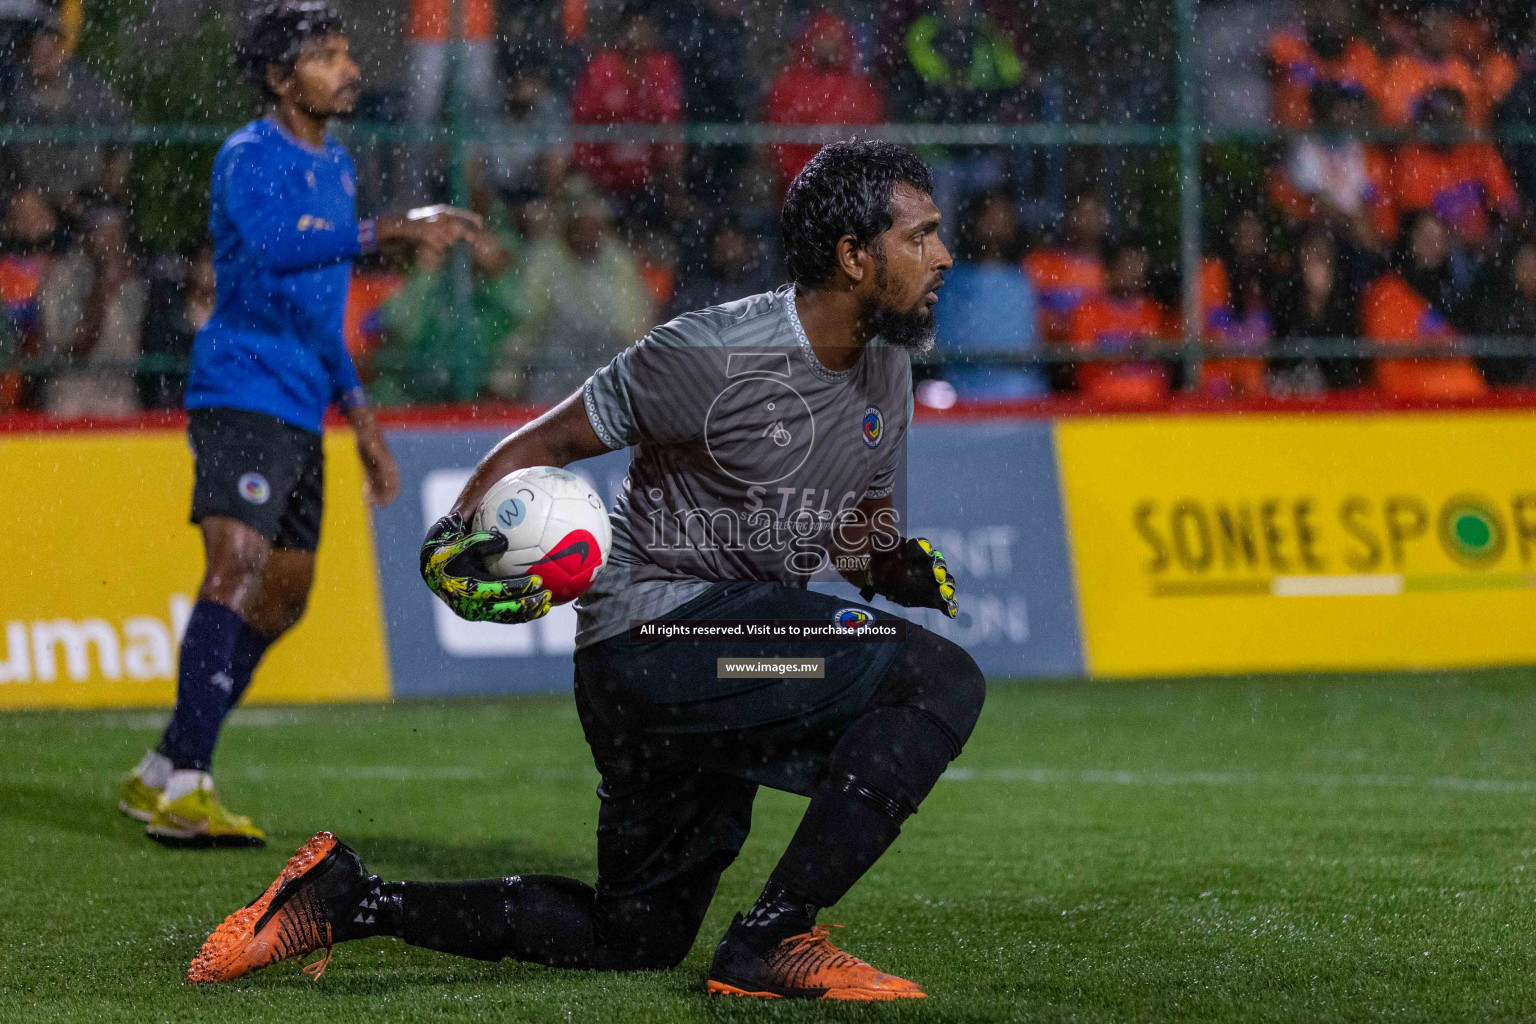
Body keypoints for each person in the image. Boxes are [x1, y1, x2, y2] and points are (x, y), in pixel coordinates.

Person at [188, 140, 984, 1003]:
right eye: (922, 236)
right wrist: (454, 537)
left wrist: (889, 564)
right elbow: (548, 440)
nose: (944, 256)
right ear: (854, 256)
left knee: (633, 934)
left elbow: (857, 531)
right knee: (939, 679)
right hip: (660, 640)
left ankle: (350, 899)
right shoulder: (712, 352)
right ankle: (777, 935)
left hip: (716, 661)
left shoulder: (888, 372)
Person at [116, 1, 480, 847]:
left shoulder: (341, 167)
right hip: (239, 391)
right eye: (326, 55)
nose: (347, 67)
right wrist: (384, 229)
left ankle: (166, 764)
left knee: (283, 600)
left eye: (347, 52)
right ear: (281, 79)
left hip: (303, 407)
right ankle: (190, 788)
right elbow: (277, 245)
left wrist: (365, 421)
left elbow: (321, 314)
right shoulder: (250, 155)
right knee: (236, 565)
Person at [500, 182, 653, 403]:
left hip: (607, 361)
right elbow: (526, 322)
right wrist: (507, 375)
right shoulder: (545, 258)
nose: (586, 233)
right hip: (554, 363)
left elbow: (634, 328)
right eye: (578, 225)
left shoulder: (618, 261)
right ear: (565, 226)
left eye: (592, 225)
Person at [6, 11, 131, 210]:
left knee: (108, 226)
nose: (54, 57)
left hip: (93, 193)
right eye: (44, 53)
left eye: (57, 48)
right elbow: (23, 161)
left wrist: (119, 163)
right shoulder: (20, 98)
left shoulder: (89, 87)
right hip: (42, 199)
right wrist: (58, 197)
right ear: (30, 59)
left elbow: (121, 124)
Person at [933, 190, 1046, 398]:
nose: (999, 225)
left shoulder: (1027, 279)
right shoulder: (948, 281)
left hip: (1025, 397)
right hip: (962, 396)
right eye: (991, 217)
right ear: (973, 221)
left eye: (1005, 218)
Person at [1361, 210, 1485, 399]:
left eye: (1439, 238)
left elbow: (1465, 342)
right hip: (1404, 389)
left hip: (1452, 387)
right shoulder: (1388, 290)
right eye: (1425, 236)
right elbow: (1385, 347)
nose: (1433, 245)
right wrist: (1432, 348)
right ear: (1410, 240)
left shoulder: (1451, 292)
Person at [34, 203, 143, 416]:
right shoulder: (61, 276)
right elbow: (73, 345)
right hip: (71, 390)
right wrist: (103, 290)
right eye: (104, 234)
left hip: (119, 392)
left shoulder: (133, 279)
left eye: (117, 235)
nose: (112, 243)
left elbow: (136, 343)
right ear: (85, 237)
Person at [763, 9, 885, 192]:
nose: (828, 44)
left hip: (847, 188)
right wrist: (805, 178)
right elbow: (781, 141)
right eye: (823, 37)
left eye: (834, 38)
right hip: (802, 187)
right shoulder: (788, 85)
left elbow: (870, 135)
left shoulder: (860, 87)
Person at [1391, 86, 1519, 253]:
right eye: (1441, 118)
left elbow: (1507, 204)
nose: (1449, 127)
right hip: (1442, 254)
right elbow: (1420, 225)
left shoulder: (1477, 150)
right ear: (1427, 119)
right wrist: (1470, 241)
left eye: (1454, 118)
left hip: (1489, 246)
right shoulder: (1412, 158)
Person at [1065, 240, 1170, 404]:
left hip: (1152, 407)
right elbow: (1083, 359)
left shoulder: (1152, 310)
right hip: (1100, 408)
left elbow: (1163, 355)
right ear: (1109, 271)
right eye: (1127, 265)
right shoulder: (1088, 311)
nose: (1135, 273)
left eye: (1139, 266)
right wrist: (1126, 352)